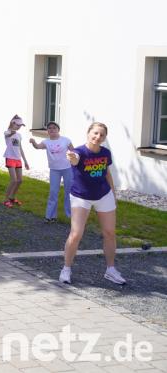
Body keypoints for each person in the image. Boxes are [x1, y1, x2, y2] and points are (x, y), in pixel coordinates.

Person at [60, 122, 126, 285]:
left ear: (105, 138)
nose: (98, 137)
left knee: (110, 233)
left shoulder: (105, 153)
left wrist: (113, 192)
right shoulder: (79, 152)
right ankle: (66, 269)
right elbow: (75, 160)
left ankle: (110, 270)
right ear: (88, 133)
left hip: (103, 195)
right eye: (95, 133)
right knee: (76, 234)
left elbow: (107, 172)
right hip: (81, 196)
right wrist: (72, 157)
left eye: (102, 135)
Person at [30, 122, 74, 223]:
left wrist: (76, 160)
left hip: (67, 168)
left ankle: (70, 214)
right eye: (49, 128)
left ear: (58, 129)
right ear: (47, 131)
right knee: (53, 192)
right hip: (54, 170)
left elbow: (74, 151)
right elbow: (37, 146)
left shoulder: (66, 140)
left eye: (54, 128)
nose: (52, 130)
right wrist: (33, 142)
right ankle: (50, 216)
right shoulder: (46, 142)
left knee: (69, 191)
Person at [3, 115, 30, 208]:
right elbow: (7, 134)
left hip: (18, 159)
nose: (19, 127)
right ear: (12, 123)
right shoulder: (7, 132)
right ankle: (6, 200)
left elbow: (20, 148)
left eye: (20, 125)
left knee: (20, 180)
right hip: (10, 158)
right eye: (18, 125)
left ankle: (12, 197)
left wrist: (25, 161)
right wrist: (11, 132)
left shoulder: (19, 135)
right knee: (13, 180)